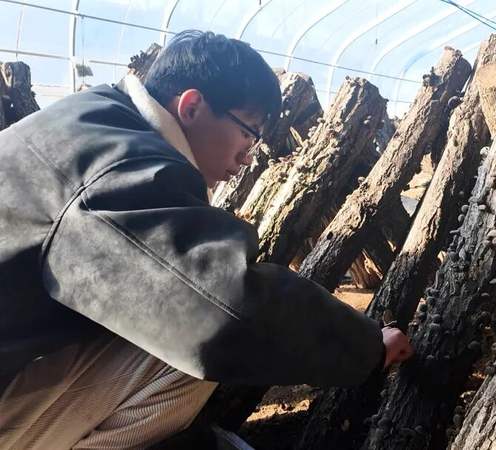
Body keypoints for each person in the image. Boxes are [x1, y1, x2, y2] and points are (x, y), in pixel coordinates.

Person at [0, 30, 413, 449]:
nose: (248, 156)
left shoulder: (95, 121)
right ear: (192, 106)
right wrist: (366, 346)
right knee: (186, 337)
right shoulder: (120, 170)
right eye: (248, 133)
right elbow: (227, 304)